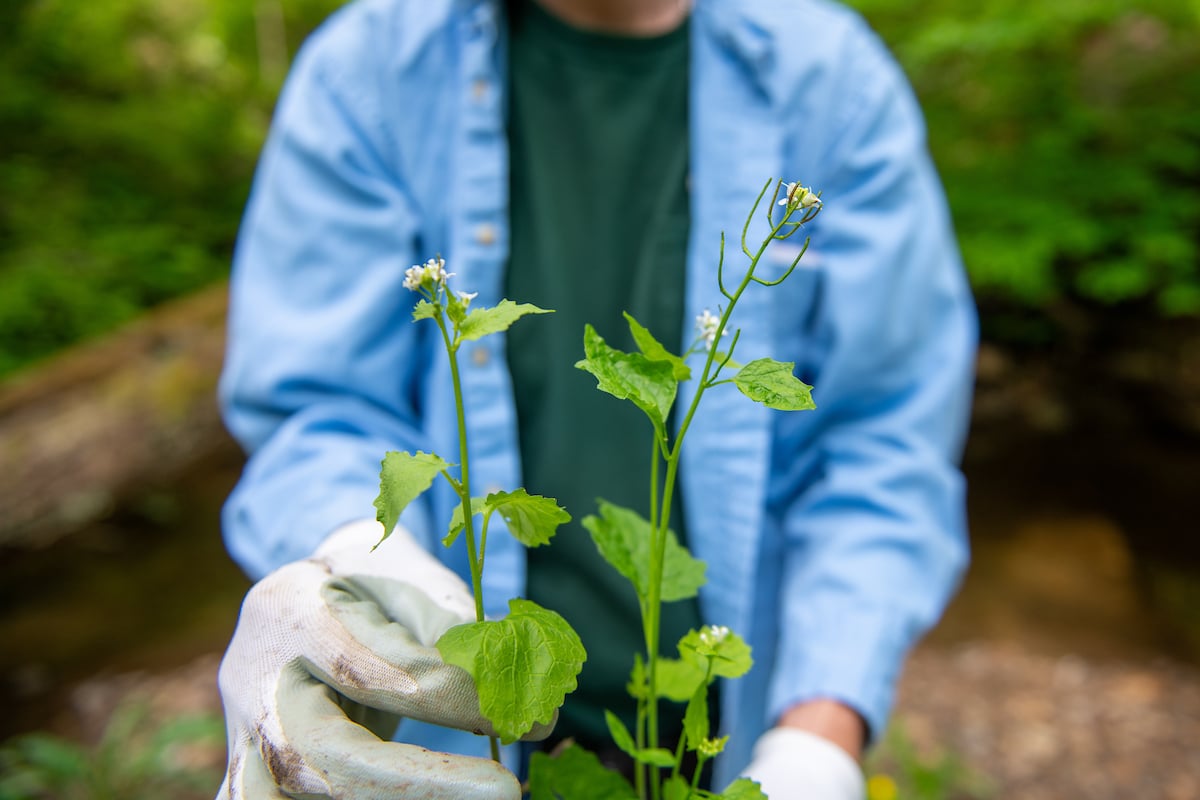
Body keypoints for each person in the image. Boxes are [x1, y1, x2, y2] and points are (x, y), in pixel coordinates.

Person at [214, 0, 977, 797]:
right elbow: (314, 407)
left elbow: (885, 439)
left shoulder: (832, 81)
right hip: (450, 743)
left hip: (729, 737)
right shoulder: (367, 69)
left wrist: (819, 739)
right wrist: (350, 555)